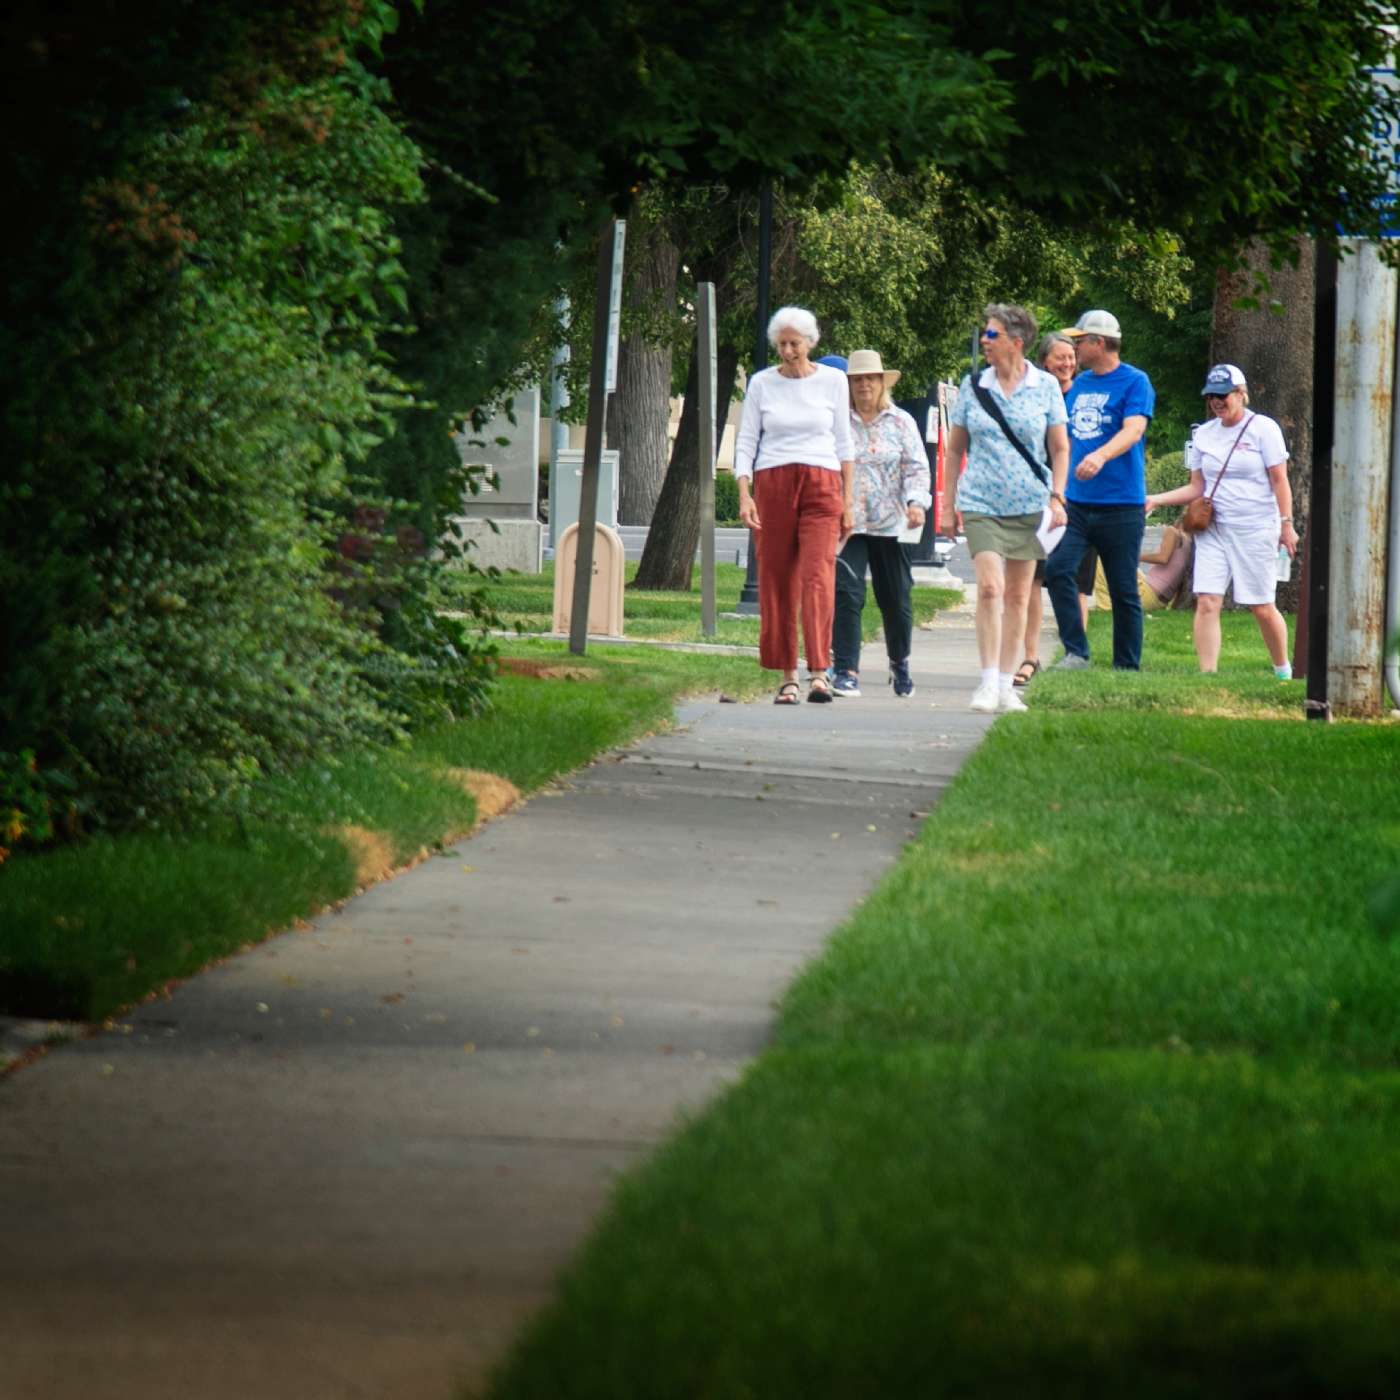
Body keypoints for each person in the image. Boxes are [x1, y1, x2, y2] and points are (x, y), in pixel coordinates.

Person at [944, 303, 1069, 713]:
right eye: (985, 333)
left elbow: (1059, 448)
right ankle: (985, 682)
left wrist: (1057, 495)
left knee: (1018, 596)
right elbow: (955, 449)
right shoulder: (974, 386)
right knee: (990, 588)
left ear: (1016, 342)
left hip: (1030, 505)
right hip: (980, 502)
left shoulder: (1045, 386)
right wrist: (947, 504)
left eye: (992, 334)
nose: (984, 339)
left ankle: (1005, 685)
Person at [1144, 363, 1297, 677]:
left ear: (1241, 394)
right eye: (1211, 396)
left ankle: (1283, 670)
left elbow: (1279, 480)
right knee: (1207, 601)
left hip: (1255, 527)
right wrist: (1155, 499)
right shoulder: (1204, 434)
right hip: (1213, 529)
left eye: (1222, 395)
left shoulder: (1263, 429)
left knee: (1261, 606)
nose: (1216, 402)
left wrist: (1286, 524)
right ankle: (1207, 675)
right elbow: (1196, 487)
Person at [735, 307, 855, 704]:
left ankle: (819, 672)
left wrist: (848, 501)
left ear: (810, 342)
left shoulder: (833, 381)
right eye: (782, 344)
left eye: (794, 344)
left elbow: (844, 443)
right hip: (773, 481)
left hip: (822, 483)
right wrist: (745, 493)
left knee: (818, 575)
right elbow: (746, 441)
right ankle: (787, 676)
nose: (787, 351)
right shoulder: (762, 383)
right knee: (777, 578)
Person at [1043, 309, 1155, 671]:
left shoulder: (1135, 382)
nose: (1074, 348)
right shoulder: (1080, 385)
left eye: (1079, 341)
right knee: (1058, 570)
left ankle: (1126, 667)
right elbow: (1061, 437)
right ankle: (1076, 652)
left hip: (1121, 505)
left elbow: (1134, 429)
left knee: (1123, 590)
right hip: (1077, 504)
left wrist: (1100, 456)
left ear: (1099, 343)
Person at [829, 350, 932, 698]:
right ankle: (846, 670)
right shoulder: (838, 423)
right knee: (847, 593)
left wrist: (916, 502)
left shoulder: (901, 421)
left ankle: (899, 661)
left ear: (881, 382)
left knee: (896, 599)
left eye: (870, 379)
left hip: (892, 523)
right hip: (850, 523)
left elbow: (917, 467)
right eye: (857, 380)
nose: (864, 385)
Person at [1015, 332, 1097, 687]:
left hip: (1081, 500)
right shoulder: (1034, 396)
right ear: (1044, 361)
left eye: (1071, 357)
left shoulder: (1086, 397)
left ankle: (1074, 654)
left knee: (1078, 583)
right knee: (1032, 579)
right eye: (1059, 357)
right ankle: (1030, 657)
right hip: (1038, 499)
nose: (1067, 363)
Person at [1092, 522, 1194, 613]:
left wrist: (1135, 557)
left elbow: (1163, 558)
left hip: (1147, 596)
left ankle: (1105, 605)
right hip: (1159, 602)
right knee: (1127, 565)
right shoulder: (1190, 543)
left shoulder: (1173, 531)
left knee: (1101, 559)